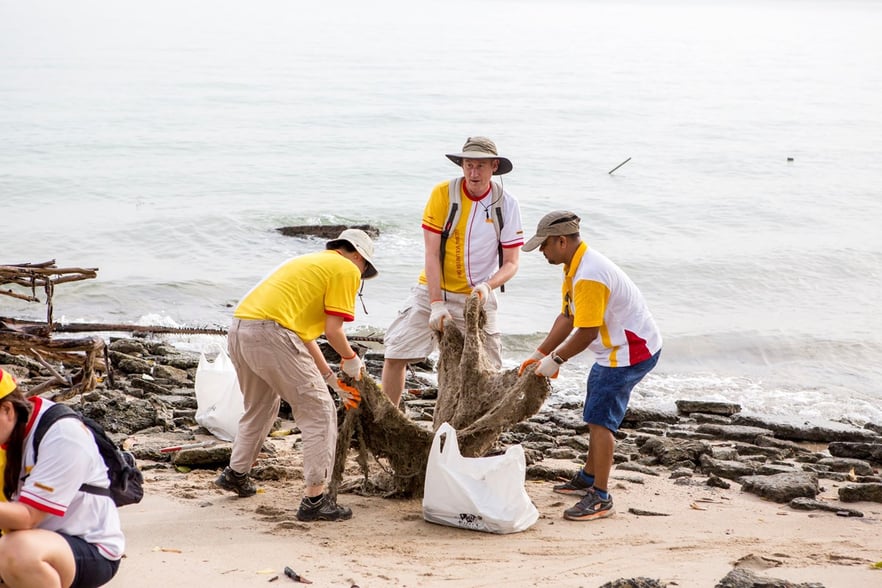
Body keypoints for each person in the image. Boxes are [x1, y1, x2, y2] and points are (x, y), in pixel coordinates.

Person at [214, 229, 378, 522]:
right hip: (271, 333)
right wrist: (351, 359)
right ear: (358, 256)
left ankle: (236, 474)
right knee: (319, 410)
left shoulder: (311, 263)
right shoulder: (346, 269)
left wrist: (330, 378)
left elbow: (304, 336)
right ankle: (315, 499)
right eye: (365, 268)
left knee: (261, 406)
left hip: (240, 329)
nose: (362, 276)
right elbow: (333, 331)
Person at [518, 211, 662, 522]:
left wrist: (555, 360)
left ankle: (601, 496)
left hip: (631, 352)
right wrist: (540, 352)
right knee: (594, 407)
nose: (541, 252)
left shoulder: (589, 275)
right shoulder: (575, 266)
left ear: (561, 241)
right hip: (612, 352)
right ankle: (587, 476)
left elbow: (587, 332)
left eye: (543, 246)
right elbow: (568, 317)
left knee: (600, 420)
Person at [381, 136, 524, 407]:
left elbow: (512, 263)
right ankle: (387, 418)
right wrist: (436, 303)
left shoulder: (507, 204)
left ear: (494, 166)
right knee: (395, 353)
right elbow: (431, 253)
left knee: (488, 370)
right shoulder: (443, 194)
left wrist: (487, 287)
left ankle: (478, 430)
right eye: (468, 165)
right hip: (432, 290)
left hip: (478, 296)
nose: (473, 173)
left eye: (480, 166)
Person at [0, 367, 124, 588]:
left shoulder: (63, 434)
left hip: (87, 545)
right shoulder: (8, 433)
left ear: (7, 410)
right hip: (29, 537)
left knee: (17, 552)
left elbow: (27, 517)